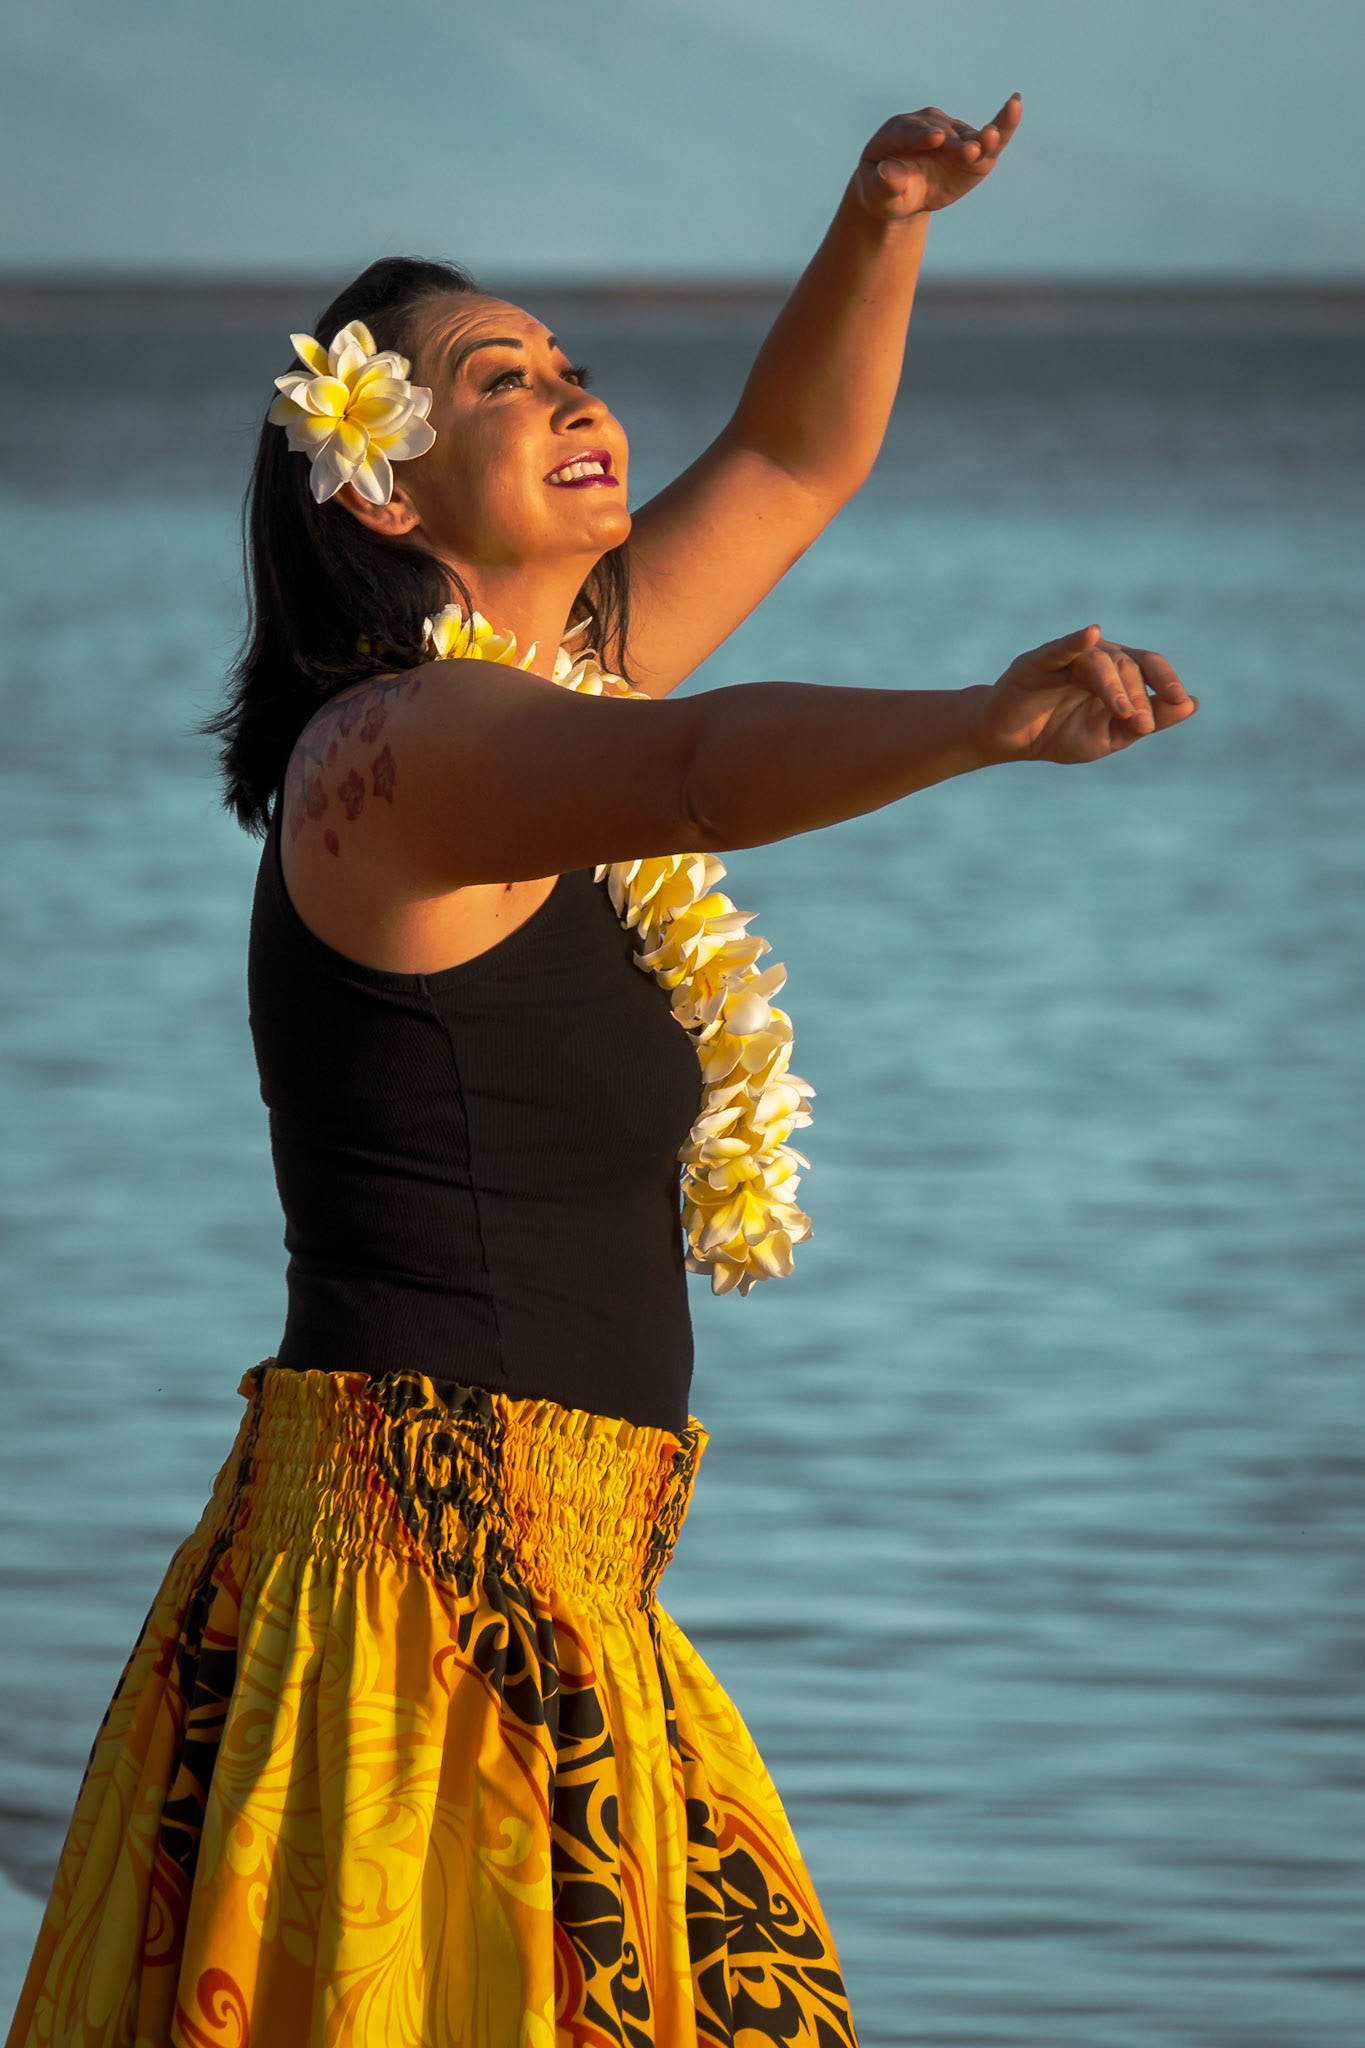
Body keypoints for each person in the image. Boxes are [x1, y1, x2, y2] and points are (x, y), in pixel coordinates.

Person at [8, 96, 1197, 2048]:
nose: (571, 393)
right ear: (383, 492)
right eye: (501, 378)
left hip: (573, 1583)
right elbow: (691, 772)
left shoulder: (554, 699)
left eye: (569, 362)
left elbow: (798, 456)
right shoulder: (398, 755)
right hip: (403, 1606)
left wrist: (880, 212)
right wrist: (978, 723)